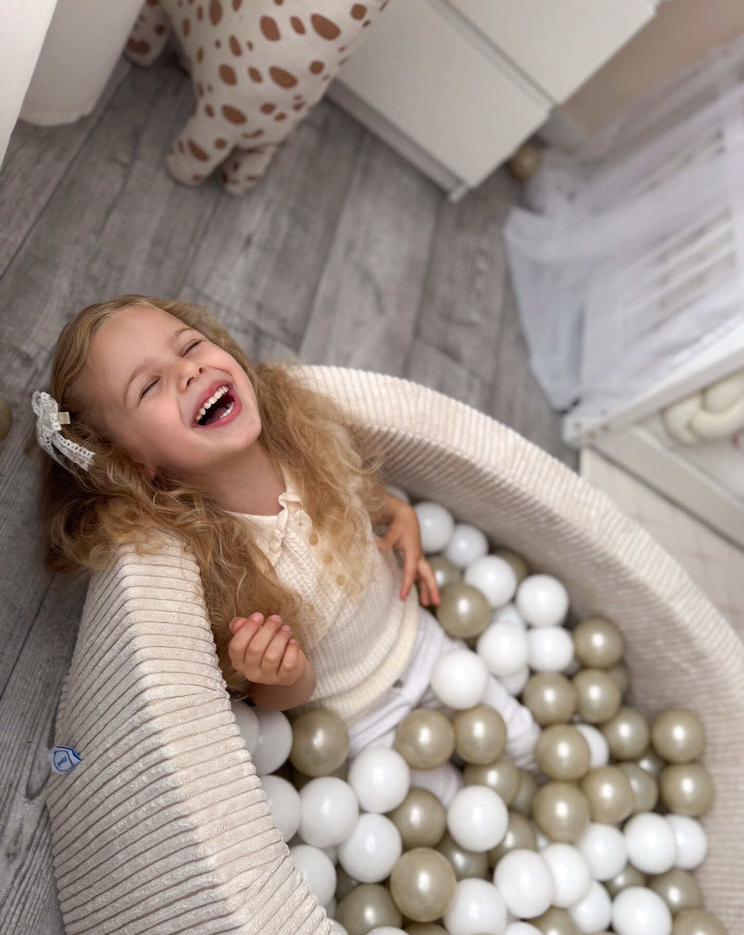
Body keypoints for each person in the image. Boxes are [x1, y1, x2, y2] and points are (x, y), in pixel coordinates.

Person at [34, 294, 537, 768]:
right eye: (149, 386)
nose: (189, 370)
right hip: (354, 721)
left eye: (189, 346)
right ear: (131, 460)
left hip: (424, 638)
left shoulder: (303, 442)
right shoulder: (210, 560)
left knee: (521, 735)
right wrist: (282, 675)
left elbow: (353, 493)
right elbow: (274, 700)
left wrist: (399, 514)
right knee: (438, 807)